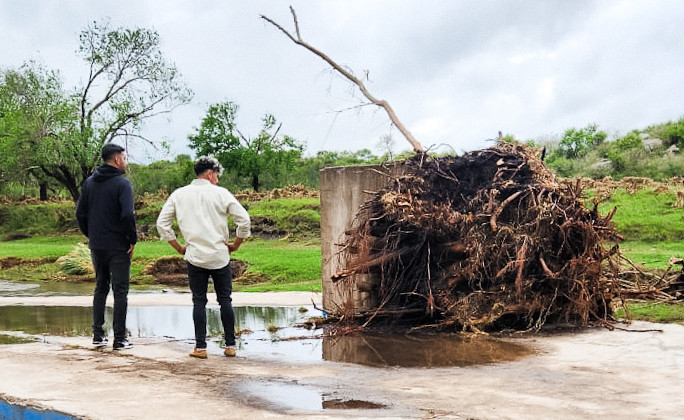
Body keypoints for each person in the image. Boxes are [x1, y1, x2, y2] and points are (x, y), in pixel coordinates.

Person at [156, 156, 251, 359]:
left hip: (195, 255)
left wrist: (178, 247)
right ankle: (230, 345)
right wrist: (236, 244)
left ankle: (200, 347)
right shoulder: (221, 194)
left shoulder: (179, 194)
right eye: (217, 174)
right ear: (209, 173)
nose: (218, 178)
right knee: (225, 300)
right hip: (219, 255)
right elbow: (243, 220)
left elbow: (162, 224)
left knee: (199, 300)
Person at [76, 143, 137, 350]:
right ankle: (119, 338)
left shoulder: (89, 183)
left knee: (100, 287)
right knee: (120, 291)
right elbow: (128, 214)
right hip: (118, 245)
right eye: (125, 158)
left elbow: (80, 214)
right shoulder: (122, 184)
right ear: (117, 160)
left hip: (97, 245)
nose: (126, 162)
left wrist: (91, 234)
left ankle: (97, 334)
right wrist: (132, 239)